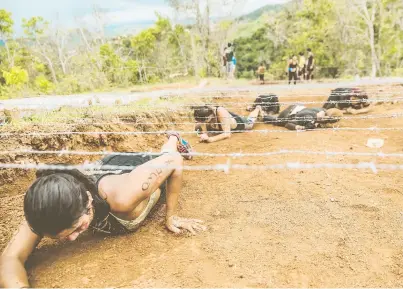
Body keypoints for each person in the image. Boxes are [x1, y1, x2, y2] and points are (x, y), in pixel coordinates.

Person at [0, 133, 206, 288]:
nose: (72, 239)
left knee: (166, 152)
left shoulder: (124, 195)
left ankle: (173, 137)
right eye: (62, 236)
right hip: (103, 170)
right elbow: (10, 259)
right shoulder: (47, 209)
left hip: (131, 167)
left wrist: (171, 217)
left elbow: (174, 162)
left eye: (76, 228)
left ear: (88, 201)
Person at [193, 105, 264, 143]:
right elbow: (200, 127)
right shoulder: (204, 115)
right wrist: (203, 134)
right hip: (223, 121)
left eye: (204, 121)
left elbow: (227, 134)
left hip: (240, 123)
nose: (203, 123)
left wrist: (211, 139)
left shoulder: (220, 111)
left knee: (250, 122)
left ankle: (257, 108)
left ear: (210, 116)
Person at [263, 105, 343, 130]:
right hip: (289, 113)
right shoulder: (309, 119)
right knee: (277, 121)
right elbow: (287, 124)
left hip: (299, 108)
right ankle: (263, 116)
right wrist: (300, 127)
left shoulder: (324, 110)